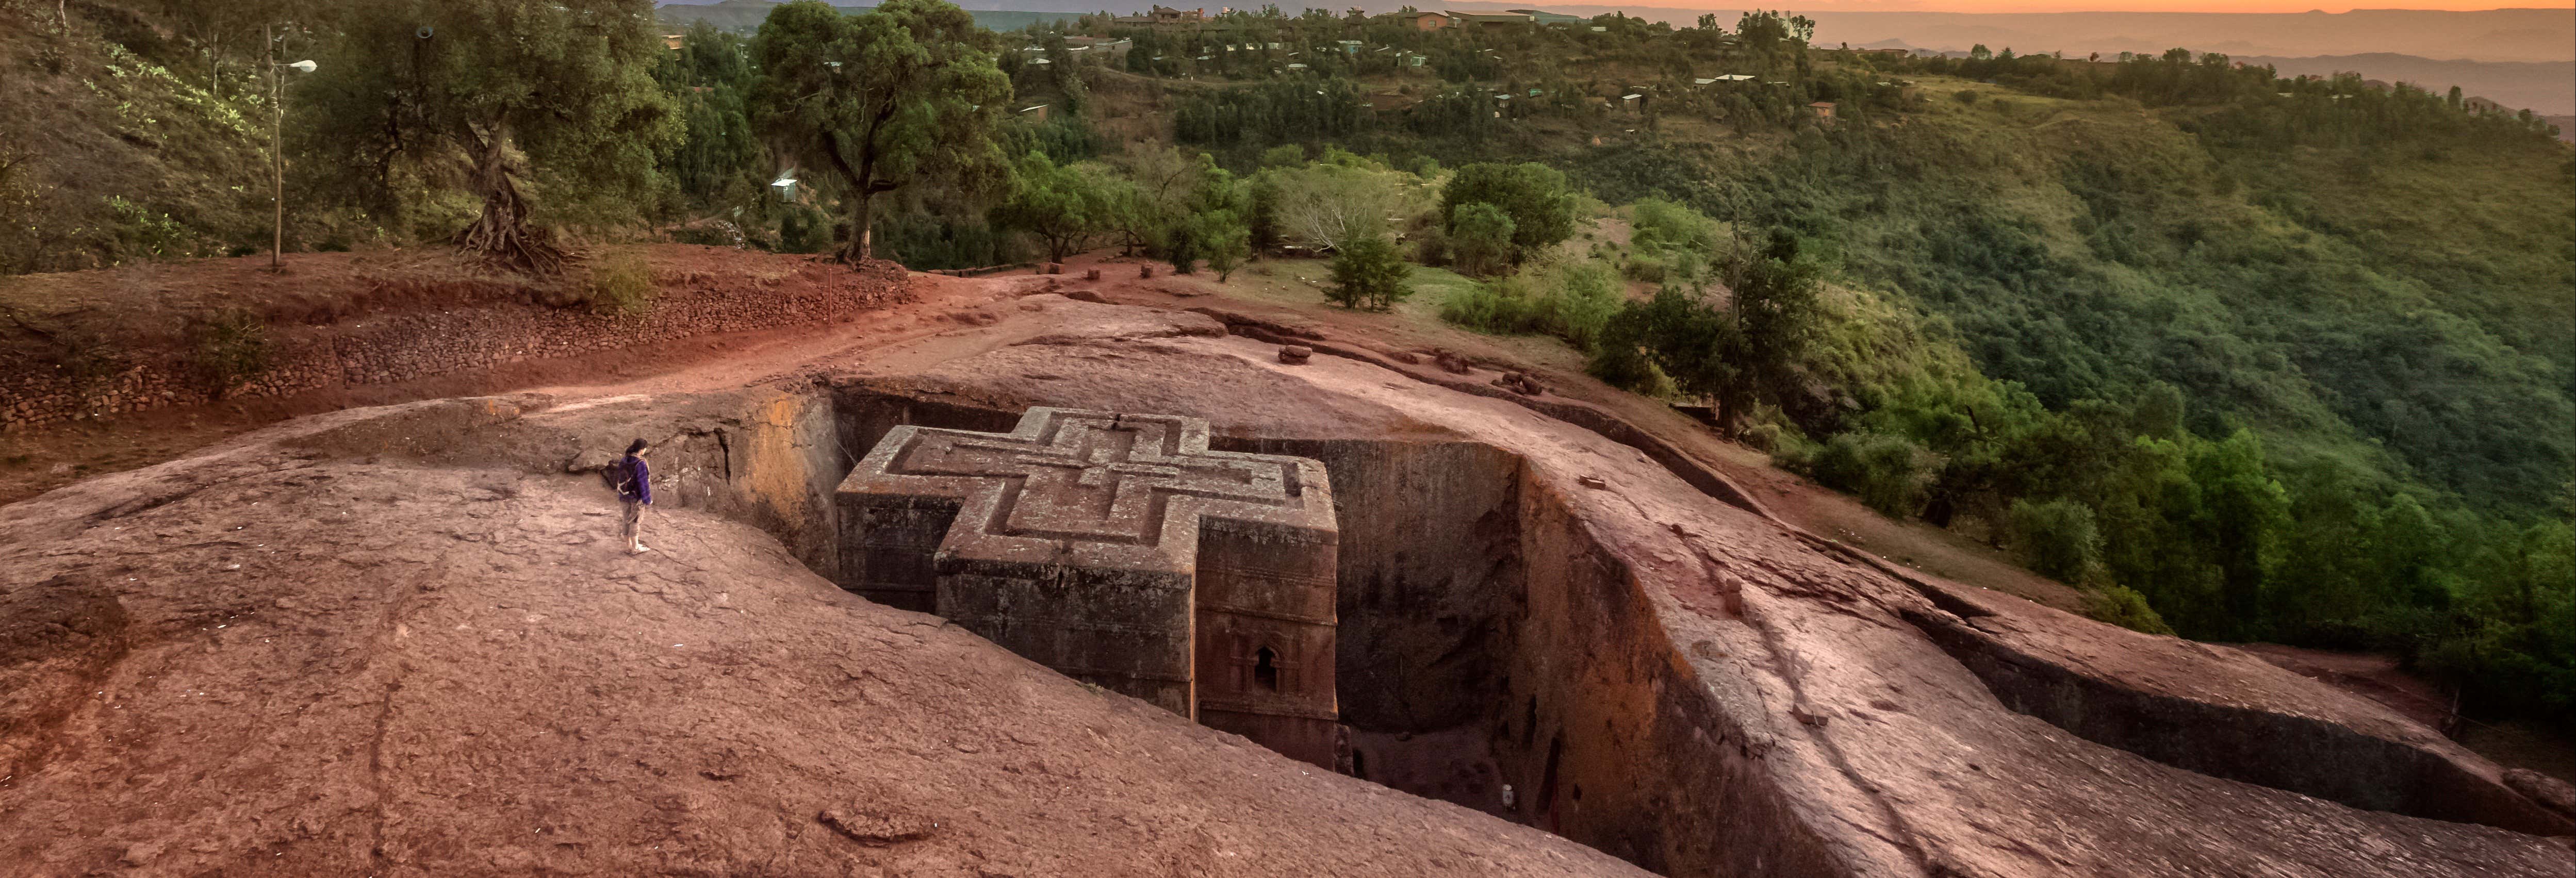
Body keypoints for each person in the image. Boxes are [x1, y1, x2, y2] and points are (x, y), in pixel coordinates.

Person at [613, 438, 653, 554]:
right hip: (636, 497)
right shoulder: (641, 463)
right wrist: (647, 499)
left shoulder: (624, 460)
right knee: (635, 520)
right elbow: (643, 483)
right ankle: (636, 548)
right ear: (642, 450)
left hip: (623, 494)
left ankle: (628, 546)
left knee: (626, 519)